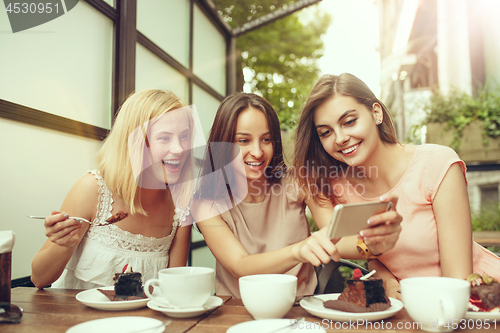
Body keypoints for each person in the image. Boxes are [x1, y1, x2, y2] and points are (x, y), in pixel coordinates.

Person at [293, 73, 500, 300]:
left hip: (479, 300)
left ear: (376, 113)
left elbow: (457, 282)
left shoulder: (436, 163)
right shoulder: (333, 186)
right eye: (326, 132)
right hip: (407, 309)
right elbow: (352, 245)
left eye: (349, 121)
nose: (340, 138)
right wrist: (382, 275)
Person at [191, 92, 402, 298]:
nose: (257, 152)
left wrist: (371, 243)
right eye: (243, 141)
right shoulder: (206, 204)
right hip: (236, 311)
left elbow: (337, 238)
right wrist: (298, 251)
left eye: (266, 139)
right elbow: (240, 265)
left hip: (300, 307)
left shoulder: (299, 181)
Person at [31, 89, 197, 289]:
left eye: (185, 136)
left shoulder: (181, 205)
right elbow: (39, 279)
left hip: (144, 320)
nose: (179, 149)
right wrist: (63, 245)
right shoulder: (92, 189)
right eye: (164, 138)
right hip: (77, 319)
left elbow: (172, 287)